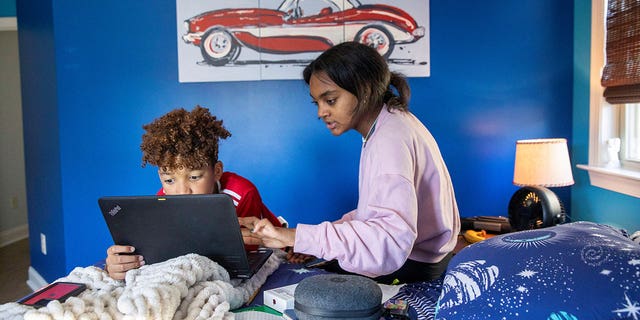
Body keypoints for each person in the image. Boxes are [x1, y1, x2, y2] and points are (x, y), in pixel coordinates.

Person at [240, 42, 460, 284]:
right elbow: (375, 213)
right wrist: (309, 241)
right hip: (420, 260)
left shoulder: (389, 140)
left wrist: (293, 236)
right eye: (317, 103)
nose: (320, 112)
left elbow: (388, 242)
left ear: (364, 89)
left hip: (413, 269)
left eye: (330, 100)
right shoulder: (390, 123)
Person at [105, 105, 282, 280]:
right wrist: (119, 264)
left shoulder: (242, 194)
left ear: (217, 171)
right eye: (169, 180)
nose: (182, 191)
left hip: (276, 241)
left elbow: (244, 257)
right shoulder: (162, 199)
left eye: (195, 177)